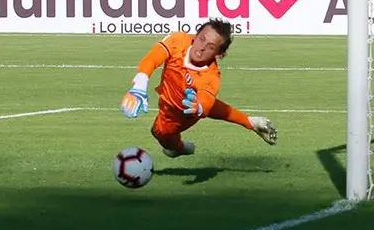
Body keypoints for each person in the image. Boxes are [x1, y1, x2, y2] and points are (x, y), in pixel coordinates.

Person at [119, 19, 278, 158]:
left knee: (159, 133)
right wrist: (141, 80)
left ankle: (181, 148)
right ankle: (251, 122)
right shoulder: (178, 40)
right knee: (216, 108)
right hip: (173, 97)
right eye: (201, 39)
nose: (201, 47)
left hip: (182, 113)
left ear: (219, 54)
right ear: (195, 35)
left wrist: (199, 108)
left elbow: (207, 101)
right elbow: (155, 56)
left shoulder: (210, 77)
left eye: (210, 47)